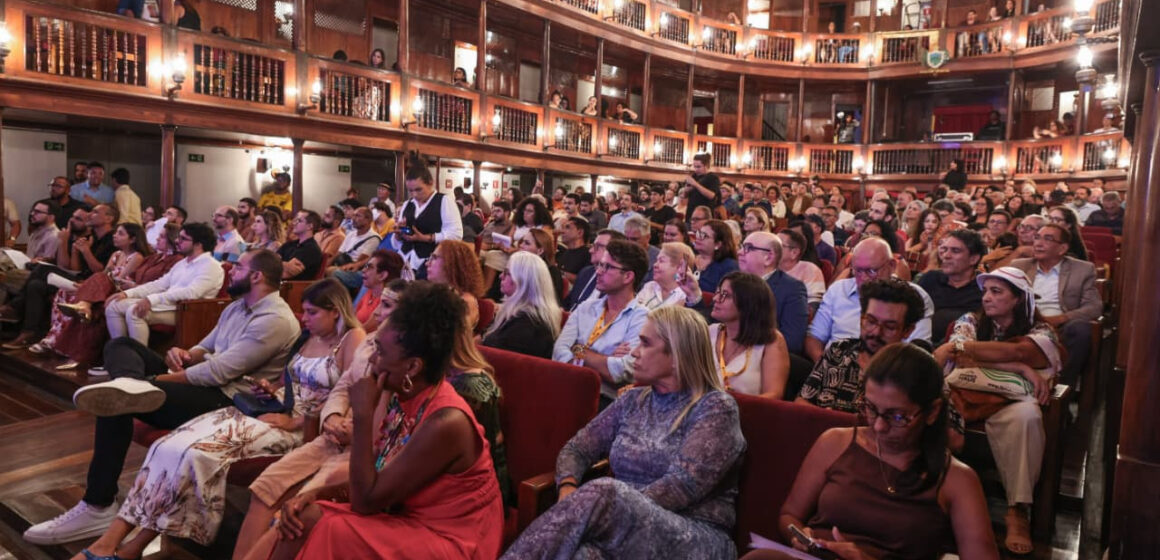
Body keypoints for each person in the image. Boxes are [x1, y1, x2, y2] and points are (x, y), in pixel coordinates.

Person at [70, 279, 364, 560]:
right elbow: (294, 384)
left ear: (335, 312)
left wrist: (297, 422)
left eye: (312, 312)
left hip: (303, 425)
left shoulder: (352, 338)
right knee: (169, 446)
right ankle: (110, 540)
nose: (304, 318)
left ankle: (131, 546)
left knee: (196, 454)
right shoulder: (308, 337)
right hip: (270, 410)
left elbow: (349, 393)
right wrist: (272, 389)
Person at [23, 250, 301, 546]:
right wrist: (184, 353)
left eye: (240, 268)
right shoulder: (238, 307)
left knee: (115, 401)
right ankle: (129, 385)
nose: (231, 271)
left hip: (226, 401)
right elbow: (205, 348)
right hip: (203, 384)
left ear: (257, 276)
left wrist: (153, 381)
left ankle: (98, 505)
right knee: (121, 346)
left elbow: (218, 374)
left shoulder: (275, 319)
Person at [264, 282, 504, 560]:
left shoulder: (446, 421)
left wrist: (363, 415)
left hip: (451, 537)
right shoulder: (404, 396)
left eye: (380, 351)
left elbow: (367, 500)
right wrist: (318, 494)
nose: (373, 361)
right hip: (406, 514)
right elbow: (376, 471)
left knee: (332, 528)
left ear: (412, 367)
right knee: (303, 514)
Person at [505, 305, 745, 559]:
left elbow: (681, 487)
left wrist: (605, 510)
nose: (634, 352)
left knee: (607, 492)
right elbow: (577, 449)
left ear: (677, 356)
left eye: (645, 343)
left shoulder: (715, 407)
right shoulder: (633, 400)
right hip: (618, 525)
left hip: (693, 535)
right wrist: (568, 488)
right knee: (583, 556)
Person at [764, 343, 998, 560]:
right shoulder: (835, 442)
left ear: (933, 412)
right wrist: (802, 538)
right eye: (871, 409)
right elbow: (789, 515)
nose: (878, 426)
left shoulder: (957, 480)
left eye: (897, 416)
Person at [933, 267, 1064, 556]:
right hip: (967, 394)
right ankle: (933, 495)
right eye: (985, 291)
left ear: (1017, 299)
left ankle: (1017, 510)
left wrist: (975, 353)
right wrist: (1019, 368)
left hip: (1010, 401)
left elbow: (1018, 351)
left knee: (1027, 417)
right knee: (931, 408)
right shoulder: (970, 319)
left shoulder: (1040, 330)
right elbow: (960, 356)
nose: (987, 298)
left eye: (996, 291)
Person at [34, 223, 187, 367]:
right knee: (80, 296)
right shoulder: (155, 257)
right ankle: (67, 344)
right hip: (126, 290)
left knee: (101, 290)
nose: (157, 239)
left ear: (172, 240)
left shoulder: (175, 261)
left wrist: (133, 287)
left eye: (161, 237)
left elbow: (162, 286)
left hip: (137, 294)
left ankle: (82, 345)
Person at [0, 205, 118, 348]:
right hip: (79, 277)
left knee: (41, 269)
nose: (90, 215)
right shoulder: (91, 238)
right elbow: (75, 268)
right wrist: (73, 247)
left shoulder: (113, 240)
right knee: (36, 285)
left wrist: (85, 251)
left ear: (109, 218)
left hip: (93, 286)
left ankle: (14, 307)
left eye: (95, 212)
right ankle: (29, 333)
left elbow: (101, 273)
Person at [553, 239, 650, 405]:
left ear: (628, 276)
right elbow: (558, 353)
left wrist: (577, 348)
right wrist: (605, 358)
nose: (598, 271)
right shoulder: (586, 308)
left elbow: (622, 372)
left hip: (606, 401)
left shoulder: (642, 318)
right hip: (567, 386)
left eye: (608, 267)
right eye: (600, 265)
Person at [805, 238, 934, 362]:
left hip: (887, 373)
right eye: (858, 270)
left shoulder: (914, 297)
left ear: (892, 265)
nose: (864, 278)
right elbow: (814, 337)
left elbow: (916, 352)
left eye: (871, 271)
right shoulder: (838, 290)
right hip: (832, 365)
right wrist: (826, 367)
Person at [1009, 224, 1101, 386]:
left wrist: (1059, 319)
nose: (1038, 243)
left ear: (1062, 248)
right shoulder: (1019, 266)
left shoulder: (1082, 269)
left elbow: (1094, 308)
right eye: (1037, 237)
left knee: (1081, 329)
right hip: (1025, 322)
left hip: (1062, 327)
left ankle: (1061, 388)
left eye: (1048, 239)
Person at [709, 272, 790, 398]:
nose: (716, 299)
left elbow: (774, 395)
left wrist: (734, 406)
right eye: (718, 292)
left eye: (725, 295)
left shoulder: (771, 341)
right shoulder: (710, 332)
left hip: (747, 414)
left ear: (748, 304)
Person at [482, 251, 563, 359]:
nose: (501, 276)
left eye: (507, 273)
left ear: (522, 281)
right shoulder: (515, 311)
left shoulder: (529, 326)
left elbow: (496, 358)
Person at [393, 164, 463, 279]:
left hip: (431, 263)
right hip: (405, 260)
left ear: (431, 183)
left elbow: (456, 235)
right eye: (410, 191)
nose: (414, 194)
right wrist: (398, 235)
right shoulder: (407, 205)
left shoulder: (444, 201)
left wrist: (427, 238)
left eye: (418, 189)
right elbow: (397, 244)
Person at [918, 229, 985, 345]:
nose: (946, 256)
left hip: (962, 348)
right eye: (944, 249)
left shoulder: (984, 287)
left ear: (973, 259)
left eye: (955, 251)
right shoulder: (930, 279)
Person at [427, 239, 486, 330]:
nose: (427, 263)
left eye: (434, 258)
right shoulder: (436, 294)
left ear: (452, 263)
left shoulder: (466, 302)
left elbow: (450, 338)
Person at [563, 229, 625, 311]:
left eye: (598, 247)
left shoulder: (617, 281)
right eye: (593, 246)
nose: (591, 250)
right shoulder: (585, 273)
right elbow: (568, 304)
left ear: (615, 252)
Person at [326, 207, 383, 292]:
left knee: (335, 274)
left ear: (368, 220)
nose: (353, 219)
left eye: (357, 216)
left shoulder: (374, 238)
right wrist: (326, 265)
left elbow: (361, 262)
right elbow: (339, 253)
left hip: (356, 270)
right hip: (342, 264)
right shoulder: (351, 234)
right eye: (353, 216)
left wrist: (337, 268)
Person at [352, 249, 404, 332]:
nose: (363, 270)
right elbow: (352, 320)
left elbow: (364, 330)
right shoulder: (369, 293)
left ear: (382, 275)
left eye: (370, 267)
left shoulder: (386, 301)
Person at [635, 242, 696, 311]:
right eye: (656, 260)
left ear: (680, 267)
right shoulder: (649, 286)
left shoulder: (685, 297)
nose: (655, 265)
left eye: (661, 261)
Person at [778, 228, 826, 311]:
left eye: (778, 245)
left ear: (794, 253)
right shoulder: (765, 267)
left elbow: (814, 306)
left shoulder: (809, 270)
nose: (770, 249)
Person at [691, 219, 738, 294]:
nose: (699, 237)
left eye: (704, 236)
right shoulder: (690, 259)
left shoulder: (729, 266)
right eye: (699, 233)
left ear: (718, 244)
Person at [280, 210, 324, 281]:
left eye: (299, 221)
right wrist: (284, 264)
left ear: (309, 226)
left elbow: (285, 274)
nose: (294, 223)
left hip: (292, 288)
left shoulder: (311, 250)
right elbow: (271, 260)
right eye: (295, 220)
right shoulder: (290, 244)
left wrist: (277, 264)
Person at [684, 153, 721, 223]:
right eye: (694, 167)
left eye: (698, 167)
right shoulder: (694, 176)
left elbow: (712, 195)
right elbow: (684, 196)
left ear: (706, 166)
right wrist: (687, 189)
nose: (696, 169)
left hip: (704, 215)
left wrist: (695, 184)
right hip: (691, 213)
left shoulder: (713, 178)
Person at [556, 216, 592, 283]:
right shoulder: (565, 253)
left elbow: (586, 280)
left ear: (580, 233)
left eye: (567, 227)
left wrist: (559, 273)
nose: (562, 231)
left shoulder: (588, 254)